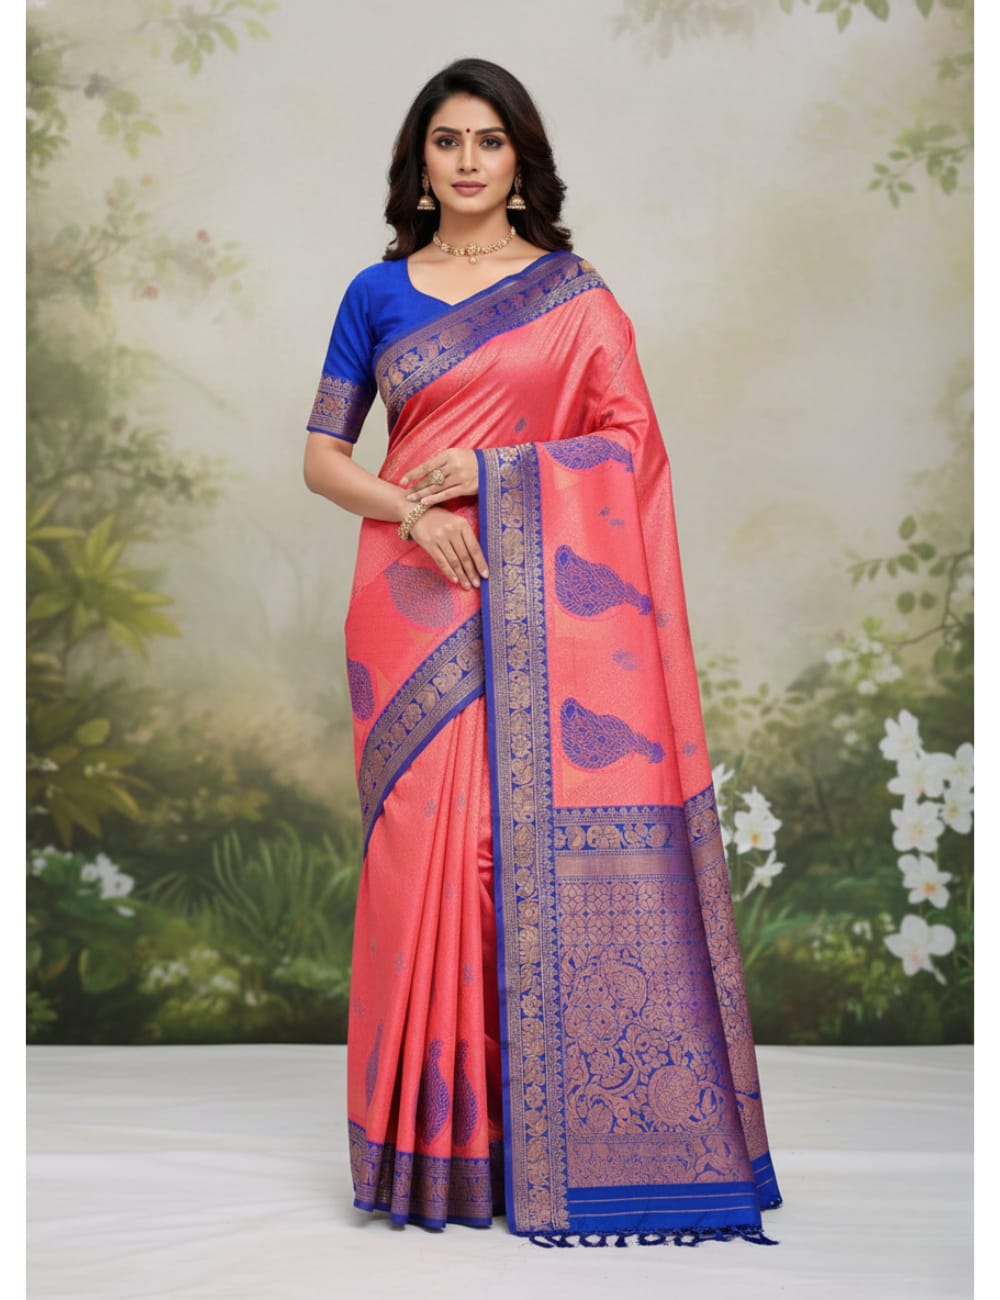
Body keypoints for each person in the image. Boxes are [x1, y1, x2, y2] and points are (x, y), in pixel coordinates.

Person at [302, 57, 782, 1248]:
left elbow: (630, 449)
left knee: (502, 851)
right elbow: (321, 459)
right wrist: (411, 511)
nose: (467, 161)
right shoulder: (374, 291)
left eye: (489, 140)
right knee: (424, 862)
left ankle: (541, 1140)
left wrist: (492, 473)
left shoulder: (575, 297)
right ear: (419, 162)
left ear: (521, 160)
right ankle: (432, 1154)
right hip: (410, 598)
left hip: (534, 602)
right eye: (446, 141)